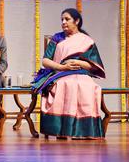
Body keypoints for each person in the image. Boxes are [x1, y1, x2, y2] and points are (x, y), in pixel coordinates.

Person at [32, 8, 105, 139]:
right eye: (62, 20)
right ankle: (62, 129)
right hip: (60, 73)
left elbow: (94, 65)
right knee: (67, 85)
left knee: (86, 86)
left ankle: (84, 131)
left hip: (81, 73)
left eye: (67, 19)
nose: (63, 22)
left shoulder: (87, 40)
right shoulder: (57, 38)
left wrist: (79, 63)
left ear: (76, 21)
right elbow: (45, 60)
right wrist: (62, 67)